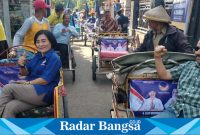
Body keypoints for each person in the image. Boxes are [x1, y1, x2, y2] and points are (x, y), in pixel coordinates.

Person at [0, 30, 61, 118]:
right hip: (32, 92)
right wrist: (21, 65)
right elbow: (25, 73)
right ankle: (7, 131)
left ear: (51, 41)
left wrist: (27, 83)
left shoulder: (54, 57)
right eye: (38, 42)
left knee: (8, 88)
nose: (40, 44)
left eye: (43, 41)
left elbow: (45, 80)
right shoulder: (38, 56)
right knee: (11, 107)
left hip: (44, 93)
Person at [153, 44, 200, 118]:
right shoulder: (188, 65)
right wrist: (157, 57)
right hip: (175, 111)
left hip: (196, 115)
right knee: (142, 128)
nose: (197, 53)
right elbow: (164, 75)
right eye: (197, 48)